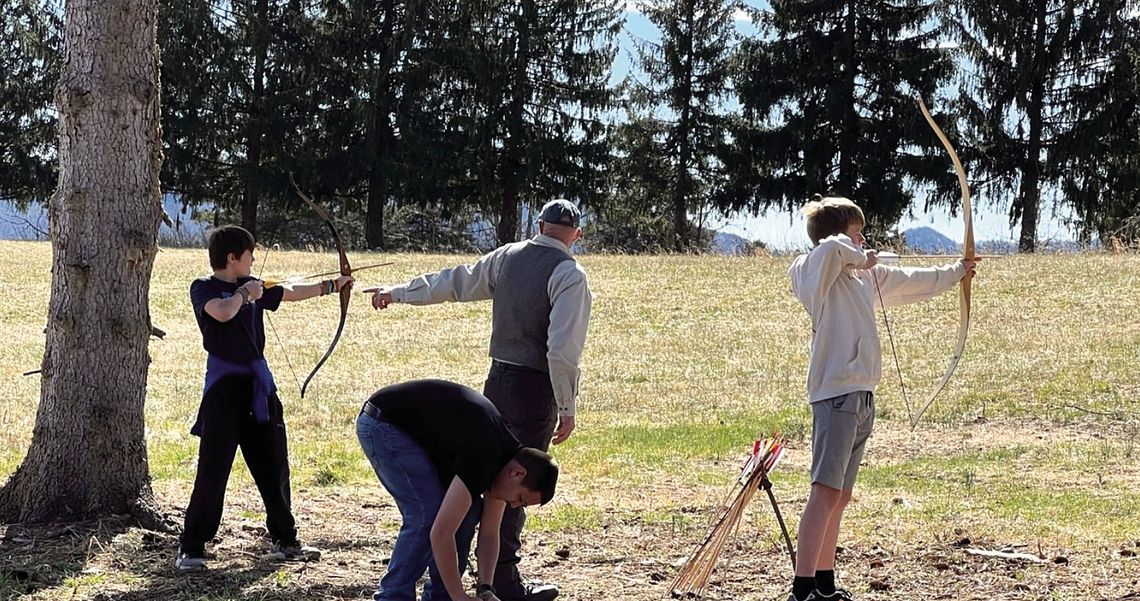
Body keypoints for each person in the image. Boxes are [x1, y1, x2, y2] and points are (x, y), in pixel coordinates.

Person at [367, 199, 591, 601]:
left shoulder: (509, 257)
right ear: (576, 235)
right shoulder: (569, 274)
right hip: (534, 388)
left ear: (539, 225)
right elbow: (561, 351)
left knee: (471, 487)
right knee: (509, 489)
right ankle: (500, 584)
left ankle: (448, 586)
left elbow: (455, 281)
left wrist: (399, 293)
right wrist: (567, 405)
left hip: (497, 381)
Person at [785, 195, 980, 601]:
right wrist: (854, 251)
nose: (863, 242)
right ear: (839, 236)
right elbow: (832, 250)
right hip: (835, 394)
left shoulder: (858, 276)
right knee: (824, 491)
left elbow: (910, 280)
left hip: (861, 395)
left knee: (841, 494)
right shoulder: (813, 270)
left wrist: (958, 271)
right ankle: (801, 590)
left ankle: (824, 583)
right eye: (858, 234)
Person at [176, 225, 354, 570]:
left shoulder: (254, 286)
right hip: (224, 392)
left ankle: (286, 540)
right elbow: (223, 312)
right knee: (213, 469)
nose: (253, 259)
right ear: (232, 258)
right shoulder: (205, 288)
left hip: (259, 390)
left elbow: (290, 291)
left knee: (273, 464)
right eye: (249, 254)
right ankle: (192, 547)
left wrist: (333, 286)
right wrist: (246, 294)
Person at [356, 379, 560, 601]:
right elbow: (441, 533)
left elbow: (490, 533)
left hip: (415, 433)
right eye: (520, 499)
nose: (514, 505)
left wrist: (485, 588)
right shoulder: (485, 459)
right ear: (518, 473)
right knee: (428, 515)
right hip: (383, 423)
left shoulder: (506, 466)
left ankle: (440, 597)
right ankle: (393, 597)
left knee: (468, 512)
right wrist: (459, 596)